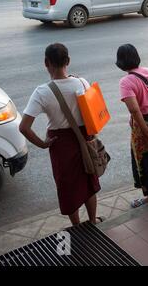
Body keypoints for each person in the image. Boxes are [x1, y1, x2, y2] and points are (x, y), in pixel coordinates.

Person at [19, 43, 102, 226]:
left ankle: (77, 226)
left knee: (68, 187)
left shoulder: (42, 92)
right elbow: (95, 116)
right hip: (85, 140)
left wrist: (43, 144)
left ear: (46, 62)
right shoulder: (82, 82)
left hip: (61, 145)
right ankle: (93, 221)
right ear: (68, 61)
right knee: (88, 182)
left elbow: (24, 127)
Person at [117, 44, 148, 208]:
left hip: (144, 125)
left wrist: (146, 132)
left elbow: (135, 110)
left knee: (144, 162)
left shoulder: (126, 81)